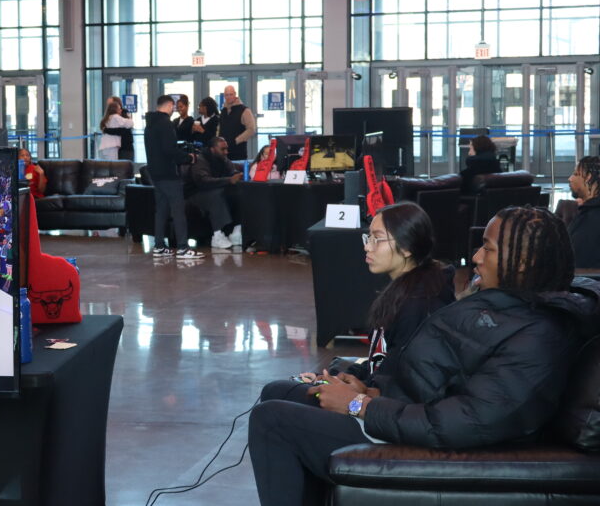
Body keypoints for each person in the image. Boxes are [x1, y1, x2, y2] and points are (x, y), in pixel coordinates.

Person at [248, 206, 598, 506]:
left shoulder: (538, 335)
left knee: (273, 420)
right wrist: (373, 391)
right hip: (407, 417)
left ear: (522, 262)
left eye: (488, 249)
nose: (476, 257)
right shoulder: (509, 310)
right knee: (280, 392)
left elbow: (465, 421)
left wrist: (359, 405)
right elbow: (447, 384)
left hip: (436, 445)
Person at [260, 202, 455, 406]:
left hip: (373, 409)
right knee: (281, 390)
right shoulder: (407, 290)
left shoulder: (420, 306)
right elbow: (381, 363)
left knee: (276, 395)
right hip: (369, 394)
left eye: (377, 239)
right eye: (368, 237)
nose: (367, 246)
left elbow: (409, 389)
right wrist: (336, 378)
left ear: (406, 247)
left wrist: (358, 394)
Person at [144, 95, 204, 260]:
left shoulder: (149, 124)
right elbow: (170, 149)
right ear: (169, 105)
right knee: (178, 210)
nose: (174, 109)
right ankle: (183, 248)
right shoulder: (165, 124)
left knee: (161, 210)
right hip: (168, 173)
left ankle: (159, 246)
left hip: (155, 173)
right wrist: (188, 158)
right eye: (173, 106)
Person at [187, 137, 243, 250]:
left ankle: (236, 231)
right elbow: (203, 181)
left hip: (214, 189)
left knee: (239, 191)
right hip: (195, 193)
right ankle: (217, 235)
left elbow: (232, 171)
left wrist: (238, 175)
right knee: (216, 195)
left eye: (226, 149)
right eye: (223, 149)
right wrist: (229, 180)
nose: (226, 152)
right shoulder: (200, 160)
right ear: (212, 149)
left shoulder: (223, 159)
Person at [569, 155, 600, 268]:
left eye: (575, 174)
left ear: (588, 177)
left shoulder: (591, 219)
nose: (570, 178)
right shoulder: (588, 211)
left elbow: (578, 261)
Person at [219, 85, 256, 161]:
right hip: (223, 153)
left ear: (235, 94)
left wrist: (237, 140)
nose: (229, 97)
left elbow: (251, 129)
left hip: (238, 152)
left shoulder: (245, 110)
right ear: (224, 96)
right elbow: (219, 128)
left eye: (231, 94)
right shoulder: (223, 111)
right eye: (226, 95)